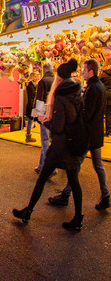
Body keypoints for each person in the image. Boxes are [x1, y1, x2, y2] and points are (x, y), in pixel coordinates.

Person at [13, 58, 84, 230]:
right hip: (73, 143)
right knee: (74, 181)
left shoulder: (60, 96)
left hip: (60, 146)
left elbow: (58, 126)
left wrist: (45, 121)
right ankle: (78, 217)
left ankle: (28, 211)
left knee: (42, 178)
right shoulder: (77, 94)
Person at [48, 58, 110, 210]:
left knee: (75, 165)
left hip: (88, 134)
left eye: (84, 70)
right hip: (96, 133)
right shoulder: (99, 86)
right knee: (97, 165)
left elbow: (87, 113)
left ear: (91, 71)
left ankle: (66, 196)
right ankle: (105, 194)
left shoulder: (93, 88)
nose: (82, 73)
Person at [33, 62, 55, 173]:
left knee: (45, 141)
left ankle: (51, 167)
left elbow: (39, 100)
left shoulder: (42, 82)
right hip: (54, 114)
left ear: (44, 70)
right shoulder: (56, 81)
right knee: (49, 141)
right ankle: (41, 165)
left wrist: (38, 116)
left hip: (45, 114)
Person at [25, 71, 38, 142]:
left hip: (32, 104)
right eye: (35, 76)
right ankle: (28, 135)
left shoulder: (33, 85)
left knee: (30, 121)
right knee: (30, 121)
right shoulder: (31, 85)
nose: (37, 78)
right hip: (31, 105)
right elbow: (31, 97)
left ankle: (28, 134)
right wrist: (32, 106)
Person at [100, 62, 111, 136]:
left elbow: (99, 83)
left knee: (108, 113)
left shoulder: (103, 74)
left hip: (107, 94)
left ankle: (108, 130)